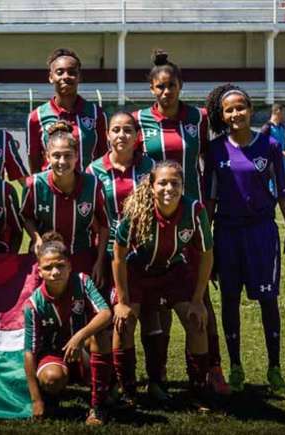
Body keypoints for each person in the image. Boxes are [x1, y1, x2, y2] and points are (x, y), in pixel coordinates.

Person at [134, 49, 226, 397]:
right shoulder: (139, 120)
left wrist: (210, 208)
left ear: (180, 85)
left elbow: (212, 159)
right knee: (158, 298)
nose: (165, 92)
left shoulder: (198, 118)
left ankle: (211, 369)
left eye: (171, 85)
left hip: (192, 218)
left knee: (199, 296)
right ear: (152, 89)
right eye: (159, 86)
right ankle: (157, 376)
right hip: (154, 219)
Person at [204, 84, 285, 392]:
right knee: (229, 300)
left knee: (268, 300)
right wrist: (207, 242)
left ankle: (274, 367)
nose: (235, 113)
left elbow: (283, 192)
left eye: (240, 107)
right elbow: (210, 201)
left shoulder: (268, 145)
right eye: (229, 109)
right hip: (227, 234)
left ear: (250, 109)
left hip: (261, 233)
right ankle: (235, 366)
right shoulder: (216, 150)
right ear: (222, 114)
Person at [111, 161, 214, 410]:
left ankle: (199, 390)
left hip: (173, 271)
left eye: (175, 183)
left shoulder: (194, 210)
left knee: (197, 322)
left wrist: (198, 300)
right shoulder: (137, 210)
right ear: (152, 185)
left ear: (183, 185)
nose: (169, 188)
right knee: (124, 323)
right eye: (163, 183)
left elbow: (207, 254)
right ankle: (128, 388)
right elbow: (118, 255)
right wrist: (122, 302)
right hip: (138, 271)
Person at [86, 111, 154, 403]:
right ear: (107, 135)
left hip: (146, 254)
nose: (122, 135)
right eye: (116, 130)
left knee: (151, 320)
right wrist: (100, 259)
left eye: (128, 129)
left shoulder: (150, 166)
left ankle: (155, 379)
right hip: (110, 254)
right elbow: (91, 217)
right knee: (116, 319)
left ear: (137, 135)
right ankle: (119, 383)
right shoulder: (94, 170)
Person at [23, 232, 112, 425]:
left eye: (60, 265)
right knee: (52, 379)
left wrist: (79, 336)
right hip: (54, 354)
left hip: (82, 350)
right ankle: (54, 391)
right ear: (39, 271)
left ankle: (97, 406)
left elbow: (106, 313)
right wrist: (36, 400)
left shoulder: (82, 281)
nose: (55, 272)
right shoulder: (33, 304)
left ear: (69, 266)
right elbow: (29, 352)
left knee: (101, 335)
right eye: (48, 268)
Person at [21, 121, 109, 288]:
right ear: (47, 156)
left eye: (68, 155)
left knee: (81, 306)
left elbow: (104, 225)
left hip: (81, 256)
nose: (62, 161)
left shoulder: (93, 185)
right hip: (46, 258)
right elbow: (26, 217)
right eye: (56, 155)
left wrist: (99, 262)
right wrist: (36, 238)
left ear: (76, 156)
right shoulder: (34, 184)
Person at [27, 48, 108, 173]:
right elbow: (34, 160)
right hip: (51, 189)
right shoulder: (36, 116)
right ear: (51, 77)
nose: (66, 76)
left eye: (72, 72)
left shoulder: (97, 114)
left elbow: (104, 156)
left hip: (87, 189)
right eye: (60, 72)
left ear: (79, 77)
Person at [260, 103, 285, 172]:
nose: (284, 115)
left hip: (283, 163)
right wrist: (282, 153)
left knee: (283, 182)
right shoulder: (266, 128)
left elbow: (283, 144)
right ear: (278, 111)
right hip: (271, 164)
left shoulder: (282, 127)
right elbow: (263, 147)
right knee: (274, 182)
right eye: (283, 112)